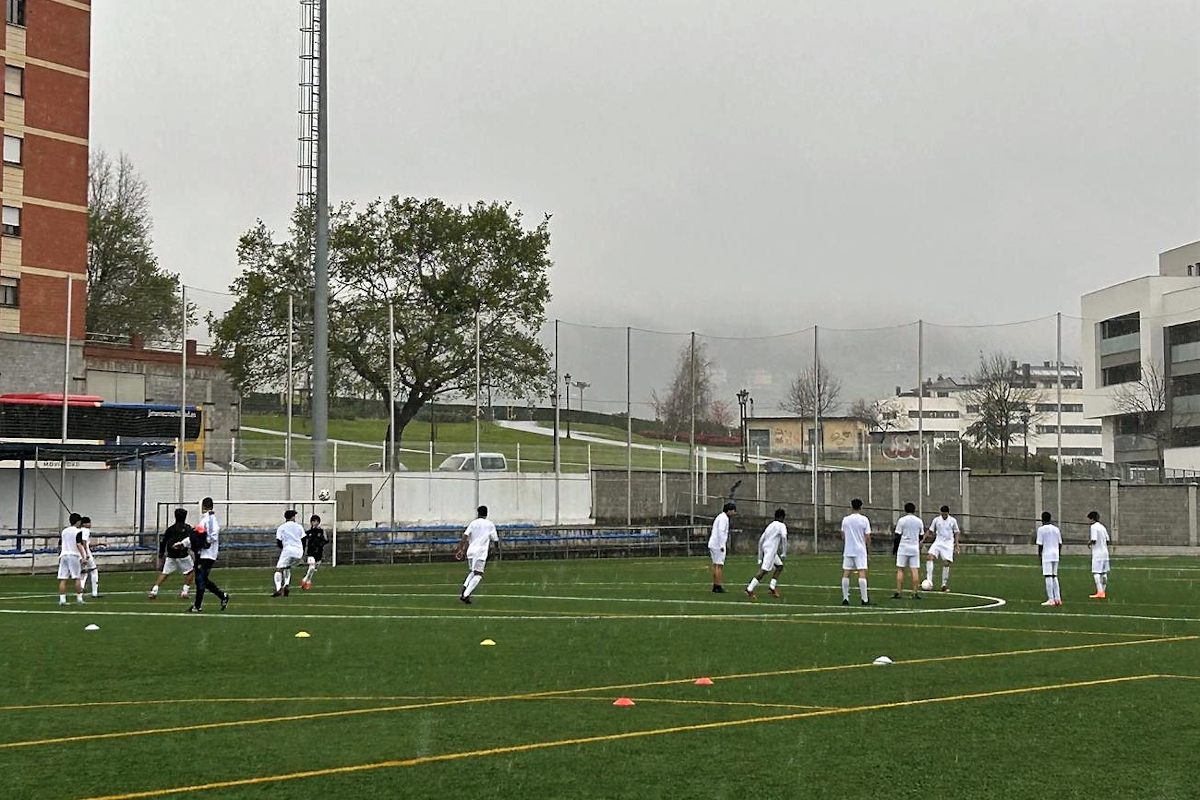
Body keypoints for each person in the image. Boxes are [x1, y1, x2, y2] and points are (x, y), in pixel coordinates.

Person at [189, 497, 229, 613]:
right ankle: (222, 596)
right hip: (203, 554)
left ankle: (197, 606)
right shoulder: (205, 519)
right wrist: (184, 543)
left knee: (200, 579)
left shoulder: (210, 519)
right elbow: (197, 535)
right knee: (202, 579)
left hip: (208, 554)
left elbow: (213, 534)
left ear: (205, 506)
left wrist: (206, 543)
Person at [455, 505, 500, 604]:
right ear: (486, 514)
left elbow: (465, 536)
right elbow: (495, 539)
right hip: (481, 552)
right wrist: (496, 549)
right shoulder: (490, 524)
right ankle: (466, 595)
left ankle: (464, 588)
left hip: (471, 551)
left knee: (472, 572)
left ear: (478, 513)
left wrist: (461, 549)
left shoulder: (473, 523)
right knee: (478, 575)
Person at [149, 508, 195, 599]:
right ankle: (184, 592)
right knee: (191, 572)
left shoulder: (170, 529)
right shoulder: (188, 528)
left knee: (165, 573)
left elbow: (163, 542)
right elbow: (192, 540)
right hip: (183, 555)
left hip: (171, 555)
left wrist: (161, 554)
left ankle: (154, 590)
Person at [745, 508, 787, 599]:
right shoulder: (781, 525)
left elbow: (761, 540)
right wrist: (784, 552)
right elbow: (784, 537)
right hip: (771, 550)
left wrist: (760, 557)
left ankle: (772, 587)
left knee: (779, 566)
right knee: (764, 570)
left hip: (767, 548)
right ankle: (749, 588)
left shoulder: (770, 526)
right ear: (782, 517)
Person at [840, 498, 871, 606]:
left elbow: (842, 535)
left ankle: (845, 597)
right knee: (861, 572)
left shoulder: (846, 520)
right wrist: (868, 548)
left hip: (849, 549)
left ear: (851, 507)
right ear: (861, 507)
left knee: (846, 572)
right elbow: (867, 536)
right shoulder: (864, 520)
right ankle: (864, 599)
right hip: (860, 550)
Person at [924, 505, 960, 591]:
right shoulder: (936, 520)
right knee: (929, 557)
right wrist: (923, 540)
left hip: (948, 543)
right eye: (942, 514)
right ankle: (929, 581)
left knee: (946, 563)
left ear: (948, 513)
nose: (944, 516)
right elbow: (930, 530)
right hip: (938, 542)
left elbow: (956, 532)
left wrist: (956, 544)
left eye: (945, 514)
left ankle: (944, 584)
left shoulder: (952, 521)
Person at [272, 509, 306, 597]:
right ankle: (286, 584)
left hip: (288, 550)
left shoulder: (281, 527)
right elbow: (304, 539)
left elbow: (279, 541)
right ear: (292, 517)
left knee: (279, 569)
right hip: (298, 552)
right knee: (287, 567)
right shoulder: (299, 526)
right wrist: (302, 550)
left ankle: (278, 588)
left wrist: (284, 549)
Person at [893, 502, 923, 600]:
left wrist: (895, 548)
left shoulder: (902, 520)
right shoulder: (919, 521)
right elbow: (921, 535)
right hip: (914, 547)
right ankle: (914, 592)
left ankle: (898, 591)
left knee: (900, 569)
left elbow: (897, 536)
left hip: (903, 547)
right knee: (914, 570)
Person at [57, 512, 85, 606]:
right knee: (77, 577)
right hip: (73, 555)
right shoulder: (78, 531)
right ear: (78, 522)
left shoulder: (64, 531)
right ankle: (79, 598)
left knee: (62, 578)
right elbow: (79, 544)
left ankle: (62, 600)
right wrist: (83, 556)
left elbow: (60, 544)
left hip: (64, 555)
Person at [1036, 511, 1063, 607]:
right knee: (1054, 576)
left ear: (1042, 519)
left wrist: (1039, 556)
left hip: (1047, 555)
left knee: (1048, 576)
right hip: (1055, 554)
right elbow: (1060, 543)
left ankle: (1051, 599)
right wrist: (1059, 554)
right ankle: (1058, 598)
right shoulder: (1056, 529)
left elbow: (1040, 545)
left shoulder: (1041, 529)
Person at [708, 502, 736, 593]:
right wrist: (722, 545)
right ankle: (718, 586)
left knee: (716, 565)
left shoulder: (720, 517)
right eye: (733, 511)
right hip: (717, 545)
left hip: (713, 543)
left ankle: (715, 585)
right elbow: (721, 531)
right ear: (729, 510)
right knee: (719, 565)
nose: (734, 513)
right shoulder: (724, 518)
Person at [1087, 510, 1110, 599]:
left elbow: (1094, 539)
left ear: (1091, 519)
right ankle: (1103, 591)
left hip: (1098, 553)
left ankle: (1099, 592)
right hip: (1105, 553)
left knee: (1096, 573)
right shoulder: (1102, 527)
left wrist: (1089, 543)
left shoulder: (1093, 527)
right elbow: (1108, 540)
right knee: (1104, 573)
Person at [300, 514, 327, 590]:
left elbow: (326, 540)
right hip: (310, 553)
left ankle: (308, 581)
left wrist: (320, 545)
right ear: (311, 522)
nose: (315, 523)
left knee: (313, 569)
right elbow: (304, 542)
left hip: (319, 553)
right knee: (312, 567)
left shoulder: (321, 531)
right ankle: (305, 580)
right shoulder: (308, 532)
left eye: (317, 521)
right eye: (314, 521)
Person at [78, 515, 100, 598]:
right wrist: (86, 554)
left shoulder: (78, 530)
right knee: (94, 570)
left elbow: (86, 543)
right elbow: (84, 542)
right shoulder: (85, 530)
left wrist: (98, 544)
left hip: (79, 554)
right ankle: (94, 592)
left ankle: (82, 587)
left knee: (84, 572)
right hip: (86, 553)